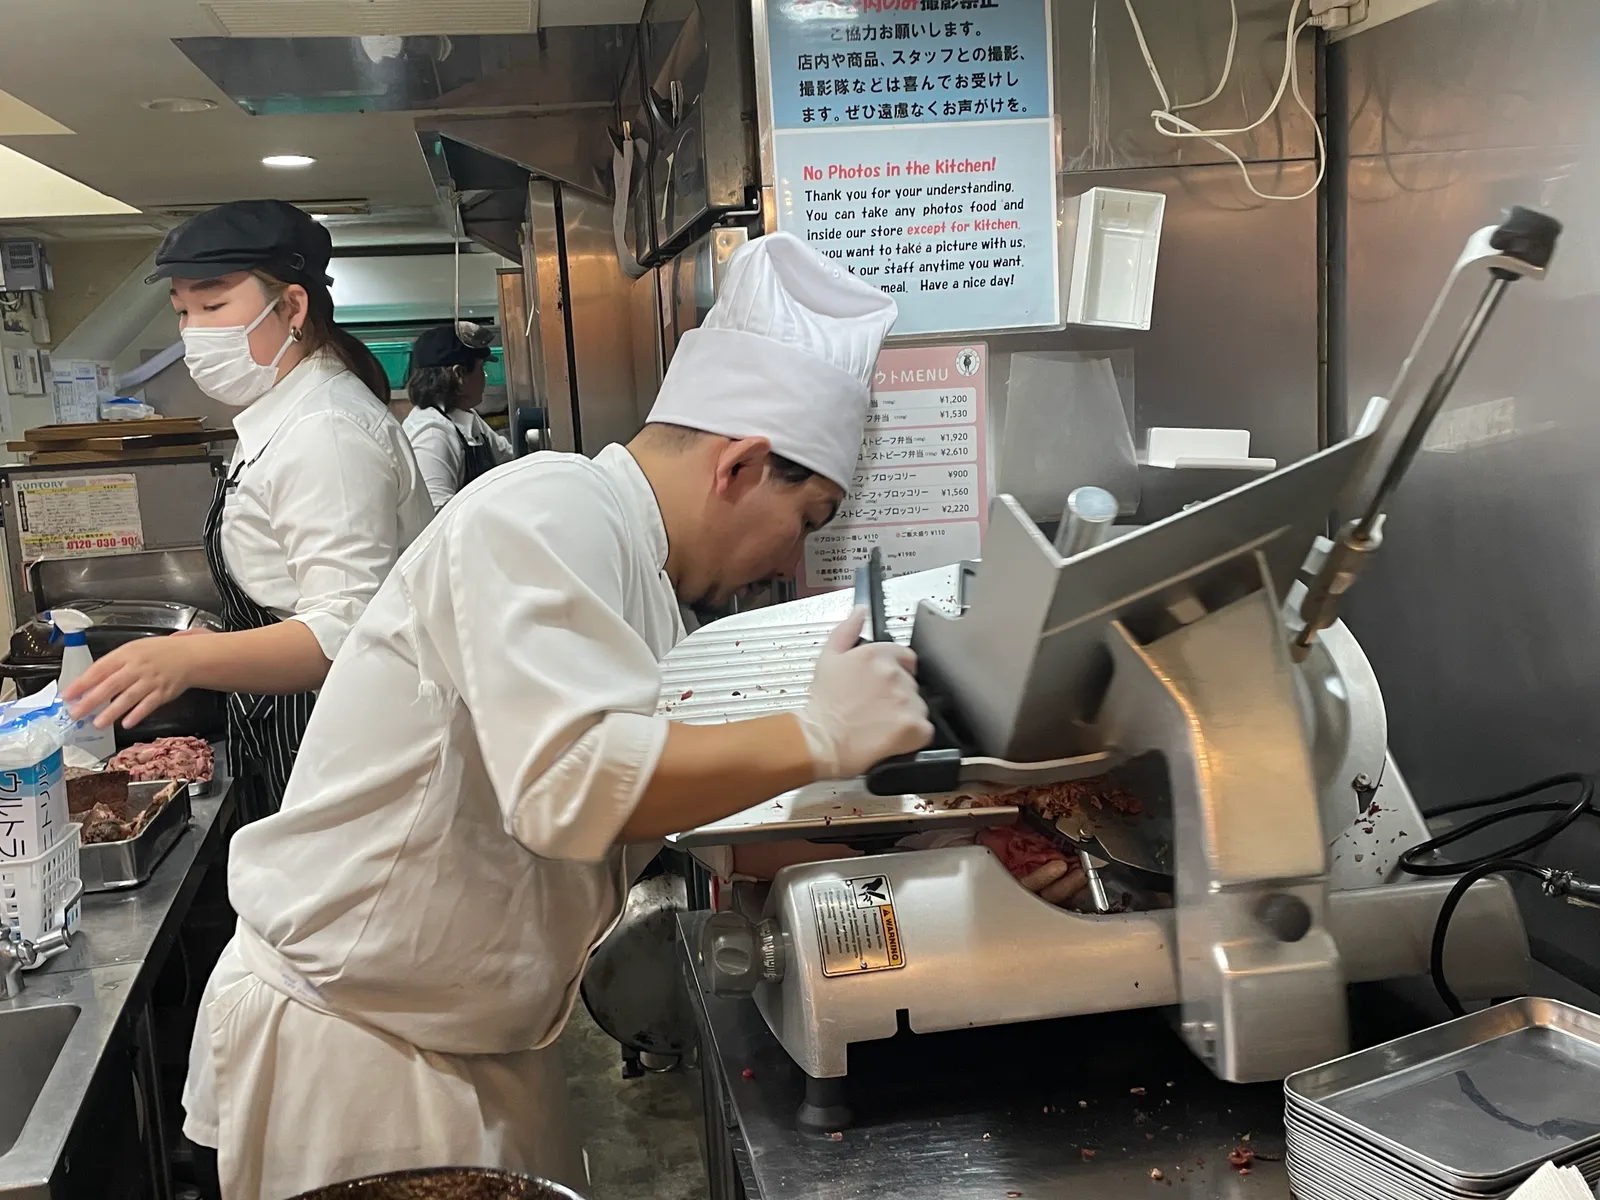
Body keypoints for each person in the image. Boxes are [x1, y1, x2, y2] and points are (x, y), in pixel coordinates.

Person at [179, 231, 932, 1199]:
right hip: (361, 1059)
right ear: (740, 467)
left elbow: (645, 792)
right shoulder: (547, 513)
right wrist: (819, 736)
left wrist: (899, 856)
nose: (791, 562)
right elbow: (573, 785)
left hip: (471, 1037)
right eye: (808, 522)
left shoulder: (639, 577)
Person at [62, 200, 433, 820]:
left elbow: (343, 634)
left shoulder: (327, 432)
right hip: (292, 723)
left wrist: (187, 659)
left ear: (292, 306)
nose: (192, 333)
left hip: (338, 731)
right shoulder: (286, 412)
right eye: (183, 312)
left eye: (213, 306)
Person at [398, 324, 517, 512]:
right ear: (459, 374)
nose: (484, 377)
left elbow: (508, 459)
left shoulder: (465, 417)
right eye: (481, 368)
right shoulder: (432, 435)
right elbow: (437, 513)